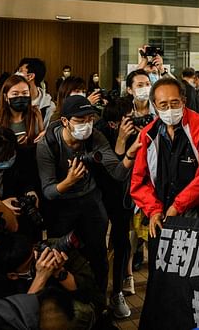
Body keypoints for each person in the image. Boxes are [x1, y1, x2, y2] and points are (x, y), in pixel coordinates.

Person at [37, 95, 136, 316]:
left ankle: (98, 307)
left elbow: (118, 172)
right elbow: (48, 191)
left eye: (90, 118)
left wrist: (131, 152)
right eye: (80, 120)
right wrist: (68, 182)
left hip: (91, 201)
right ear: (65, 121)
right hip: (61, 206)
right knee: (61, 255)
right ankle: (65, 309)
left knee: (99, 256)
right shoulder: (48, 144)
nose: (86, 125)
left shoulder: (95, 137)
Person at [130, 77, 199, 238]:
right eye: (163, 105)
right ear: (155, 107)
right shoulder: (148, 135)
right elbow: (139, 181)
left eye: (175, 102)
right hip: (162, 212)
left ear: (184, 101)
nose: (169, 108)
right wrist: (154, 209)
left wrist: (177, 206)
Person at [94, 96, 139, 304]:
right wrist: (121, 141)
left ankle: (117, 291)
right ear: (114, 123)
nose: (132, 121)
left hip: (123, 195)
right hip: (101, 194)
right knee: (98, 241)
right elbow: (113, 170)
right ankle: (99, 291)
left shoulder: (133, 133)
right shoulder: (99, 132)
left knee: (122, 241)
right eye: (128, 118)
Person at [0, 235, 103, 317]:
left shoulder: (53, 249)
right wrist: (41, 277)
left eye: (34, 252)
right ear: (13, 275)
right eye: (30, 263)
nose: (38, 260)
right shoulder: (1, 285)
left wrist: (60, 273)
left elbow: (91, 295)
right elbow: (20, 320)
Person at [0, 74, 45, 146]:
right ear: (5, 97)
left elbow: (42, 140)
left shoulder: (35, 114)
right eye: (15, 94)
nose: (20, 97)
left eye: (25, 93)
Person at [16, 58, 54, 129]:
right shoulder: (12, 99)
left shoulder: (48, 107)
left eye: (20, 71)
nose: (16, 74)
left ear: (30, 76)